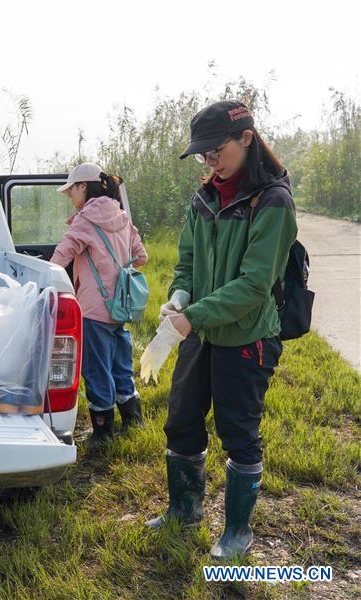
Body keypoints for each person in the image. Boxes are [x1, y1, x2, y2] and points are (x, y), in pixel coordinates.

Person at [145, 101, 297, 561]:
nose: (210, 160)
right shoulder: (204, 199)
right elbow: (187, 263)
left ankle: (236, 531)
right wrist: (179, 296)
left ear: (246, 139)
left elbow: (254, 284)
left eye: (216, 150)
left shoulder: (272, 202)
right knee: (181, 422)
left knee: (239, 432)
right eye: (203, 153)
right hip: (201, 332)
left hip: (246, 337)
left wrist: (193, 316)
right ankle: (185, 509)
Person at [51, 163, 148, 448]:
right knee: (121, 365)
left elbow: (63, 254)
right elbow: (141, 256)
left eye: (71, 190)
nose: (70, 196)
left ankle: (103, 434)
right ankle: (133, 422)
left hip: (94, 309)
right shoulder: (121, 216)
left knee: (96, 369)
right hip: (121, 306)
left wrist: (46, 277)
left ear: (83, 186)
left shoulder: (86, 220)